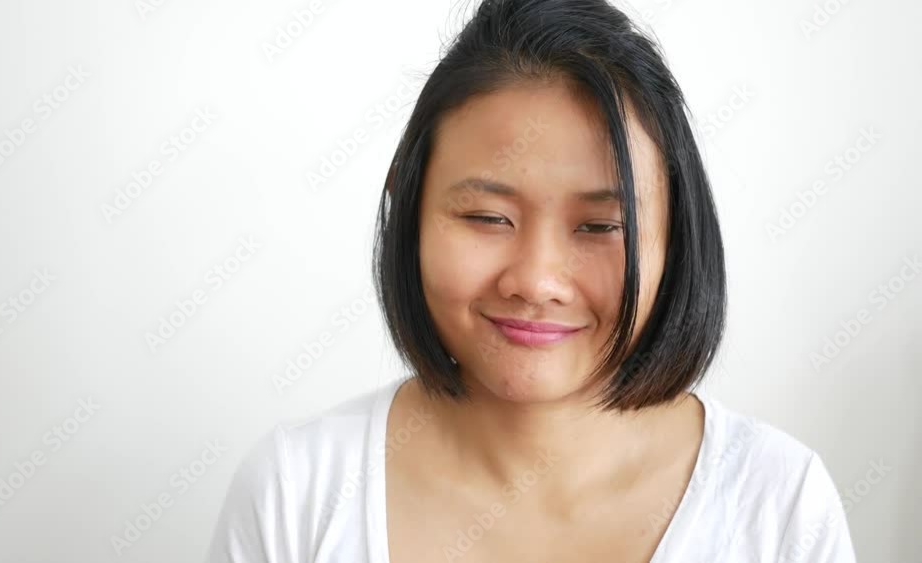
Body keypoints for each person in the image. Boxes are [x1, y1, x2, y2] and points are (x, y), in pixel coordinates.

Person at [206, 0, 857, 561]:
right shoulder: (297, 491)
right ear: (408, 207)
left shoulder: (778, 503)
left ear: (676, 235)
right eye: (487, 217)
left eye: (600, 226)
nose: (537, 281)